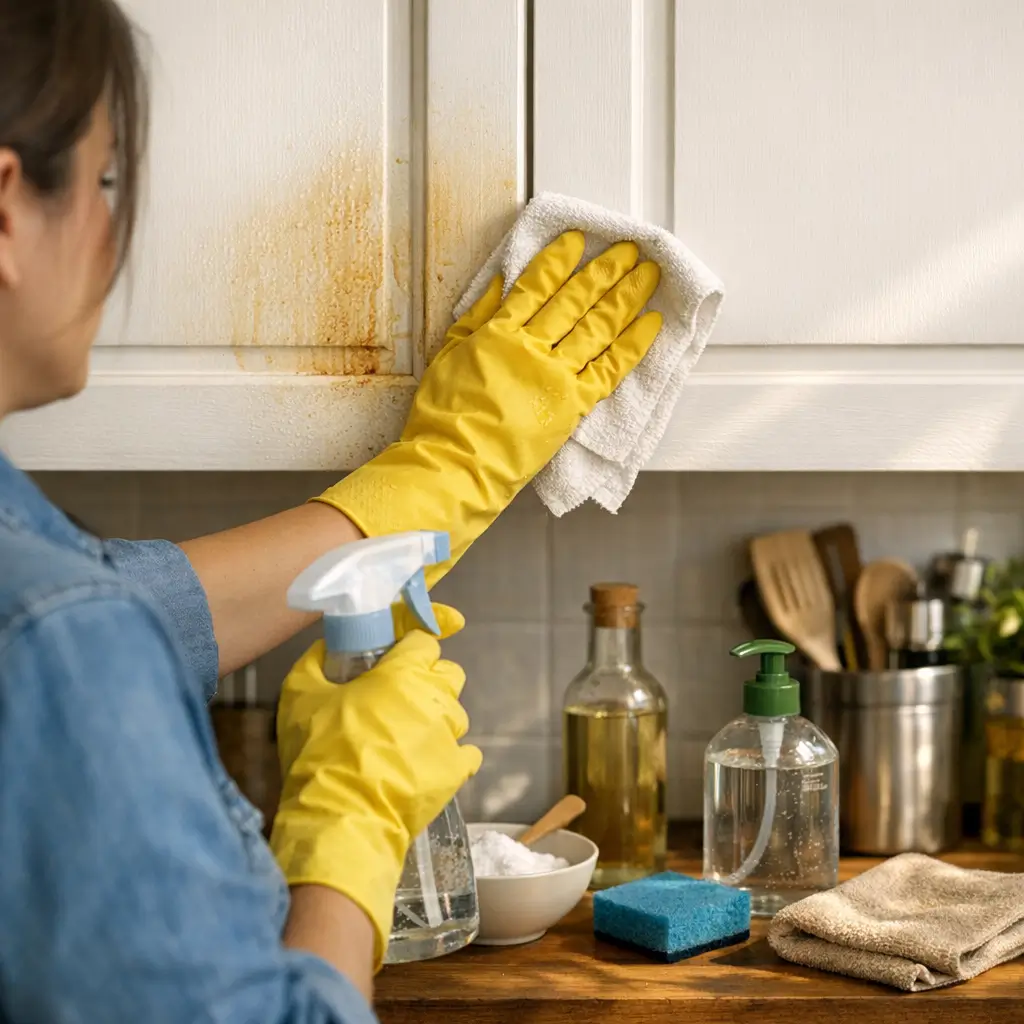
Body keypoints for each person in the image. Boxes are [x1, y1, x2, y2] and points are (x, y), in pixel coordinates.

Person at [0, 0, 663, 1021]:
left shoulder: (49, 604)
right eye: (105, 182)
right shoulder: (59, 638)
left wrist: (439, 476)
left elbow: (100, 610)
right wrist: (348, 824)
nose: (114, 230)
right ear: (8, 210)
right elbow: (62, 636)